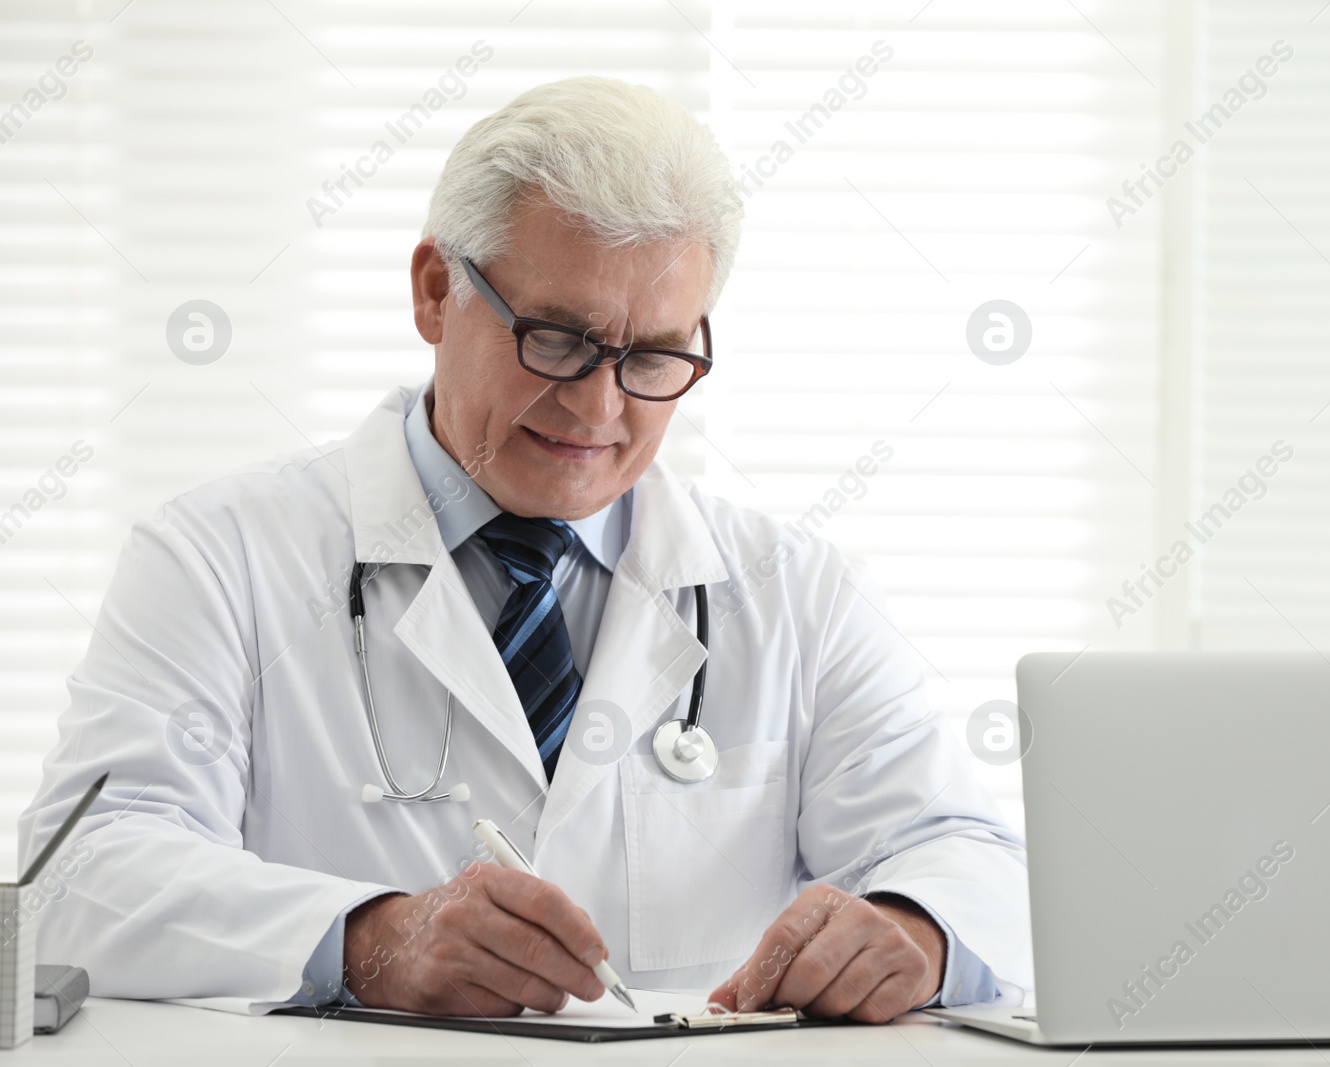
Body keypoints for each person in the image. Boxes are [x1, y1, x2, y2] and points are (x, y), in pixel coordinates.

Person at [18, 76, 1029, 1022]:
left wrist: (916, 929)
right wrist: (365, 938)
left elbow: (965, 852)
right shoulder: (218, 556)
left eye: (655, 356)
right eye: (556, 337)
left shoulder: (794, 591)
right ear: (432, 291)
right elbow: (82, 876)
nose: (599, 405)